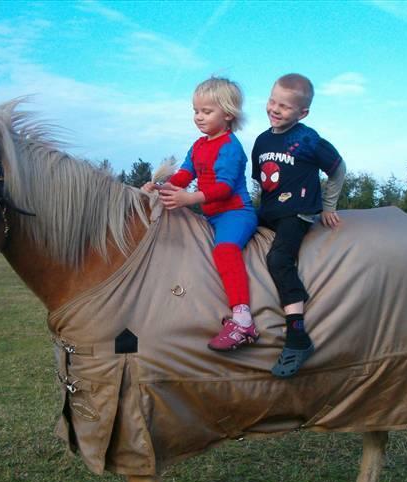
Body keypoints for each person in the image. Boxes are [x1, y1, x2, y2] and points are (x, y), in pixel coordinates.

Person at [143, 77, 259, 351]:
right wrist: (161, 188)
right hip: (210, 213)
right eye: (195, 111)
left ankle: (243, 319)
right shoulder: (198, 146)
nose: (198, 117)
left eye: (206, 112)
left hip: (234, 212)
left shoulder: (230, 147)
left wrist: (189, 199)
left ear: (228, 114)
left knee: (225, 251)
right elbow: (185, 174)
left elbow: (224, 187)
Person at [252, 73, 347, 378]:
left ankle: (297, 336)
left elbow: (338, 169)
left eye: (284, 106)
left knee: (279, 259)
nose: (275, 109)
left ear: (302, 113)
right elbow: (262, 182)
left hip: (297, 213)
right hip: (269, 210)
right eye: (272, 101)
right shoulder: (262, 140)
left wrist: (328, 206)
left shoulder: (308, 139)